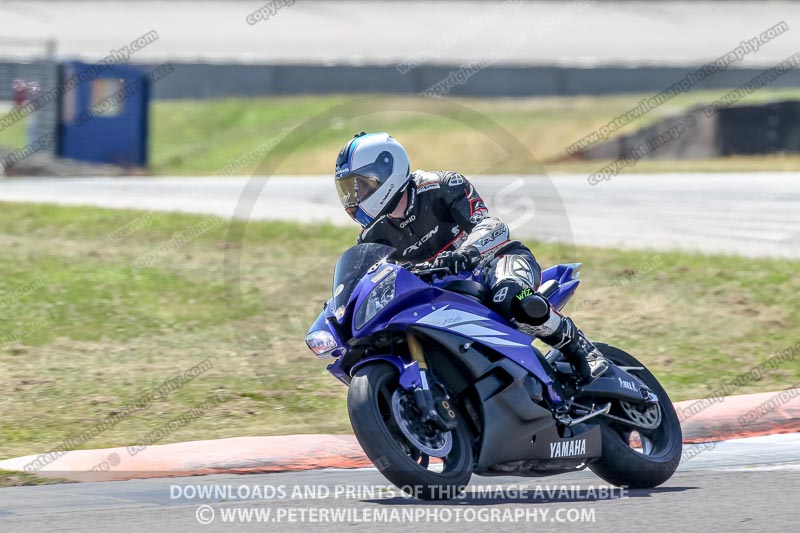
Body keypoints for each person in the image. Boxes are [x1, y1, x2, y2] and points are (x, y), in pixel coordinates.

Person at [334, 132, 608, 384]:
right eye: (347, 190)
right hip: (444, 293)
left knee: (513, 298)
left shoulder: (442, 185)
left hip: (495, 263)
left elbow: (491, 226)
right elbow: (370, 280)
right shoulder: (372, 236)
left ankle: (580, 349)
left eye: (360, 186)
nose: (353, 198)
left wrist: (467, 253)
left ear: (386, 172)